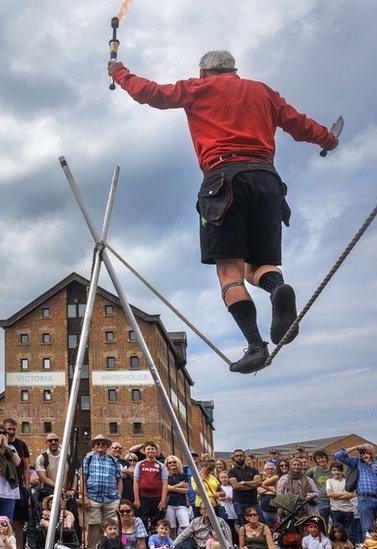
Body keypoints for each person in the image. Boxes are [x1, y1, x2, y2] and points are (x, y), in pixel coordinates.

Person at [108, 51, 339, 373]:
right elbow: (297, 124)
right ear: (234, 69)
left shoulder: (197, 88)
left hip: (224, 180)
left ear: (203, 71)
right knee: (259, 265)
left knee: (229, 271)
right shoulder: (263, 91)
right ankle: (277, 289)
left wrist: (119, 72)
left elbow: (151, 94)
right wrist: (327, 139)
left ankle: (256, 346)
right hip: (267, 180)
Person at [334, 444, 377, 537]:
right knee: (367, 528)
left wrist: (371, 463)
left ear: (372, 453)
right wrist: (356, 447)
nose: (366, 454)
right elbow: (338, 455)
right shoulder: (356, 462)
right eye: (364, 451)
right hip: (365, 499)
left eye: (369, 452)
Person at [82, 434, 124, 549]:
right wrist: (84, 496)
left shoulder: (113, 460)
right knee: (93, 525)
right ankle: (92, 547)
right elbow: (83, 479)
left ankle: (114, 547)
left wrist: (118, 497)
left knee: (113, 526)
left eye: (103, 444)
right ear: (94, 447)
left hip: (111, 499)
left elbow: (119, 480)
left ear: (107, 447)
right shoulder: (88, 459)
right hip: (93, 497)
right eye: (98, 444)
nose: (100, 446)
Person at [2, 419, 30, 549]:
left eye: (13, 429)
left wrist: (27, 486)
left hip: (17, 486)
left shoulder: (21, 444)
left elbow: (26, 467)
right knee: (4, 521)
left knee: (18, 522)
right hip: (2, 487)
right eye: (9, 429)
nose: (11, 432)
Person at [133, 441, 168, 530]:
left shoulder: (161, 466)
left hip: (157, 498)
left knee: (157, 522)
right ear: (144, 451)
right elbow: (136, 482)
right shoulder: (139, 464)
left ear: (156, 451)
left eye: (153, 449)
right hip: (143, 497)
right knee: (142, 521)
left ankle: (157, 542)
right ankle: (144, 542)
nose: (150, 450)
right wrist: (136, 499)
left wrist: (163, 500)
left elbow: (164, 484)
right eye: (148, 449)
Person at [229, 449, 262, 526]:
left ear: (245, 456)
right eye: (236, 456)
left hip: (253, 502)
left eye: (241, 455)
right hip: (239, 502)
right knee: (243, 526)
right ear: (234, 458)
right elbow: (235, 486)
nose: (239, 457)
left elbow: (258, 483)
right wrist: (252, 485)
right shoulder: (232, 471)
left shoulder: (253, 470)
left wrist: (244, 483)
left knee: (259, 524)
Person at [164, 456, 191, 536]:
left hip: (181, 504)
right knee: (171, 528)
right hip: (169, 504)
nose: (172, 464)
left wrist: (172, 488)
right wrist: (179, 485)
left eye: (174, 462)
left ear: (178, 463)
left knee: (186, 526)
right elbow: (165, 489)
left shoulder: (183, 475)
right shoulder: (165, 476)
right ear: (167, 464)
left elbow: (186, 490)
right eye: (170, 462)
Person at [327, 462, 356, 535]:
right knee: (337, 533)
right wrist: (344, 494)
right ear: (331, 471)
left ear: (342, 471)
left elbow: (352, 494)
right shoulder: (329, 481)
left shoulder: (347, 481)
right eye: (334, 470)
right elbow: (329, 494)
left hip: (349, 510)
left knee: (350, 533)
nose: (336, 472)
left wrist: (336, 496)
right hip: (336, 510)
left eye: (338, 470)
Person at [307, 451, 334, 522]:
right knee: (323, 523)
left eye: (322, 457)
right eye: (318, 459)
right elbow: (304, 479)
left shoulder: (333, 470)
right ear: (316, 461)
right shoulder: (313, 471)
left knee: (335, 524)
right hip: (321, 501)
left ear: (326, 458)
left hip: (334, 501)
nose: (321, 460)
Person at [35, 433, 62, 504]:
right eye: (50, 440)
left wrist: (73, 490)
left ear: (59, 441)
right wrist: (59, 488)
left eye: (56, 440)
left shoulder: (67, 457)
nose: (53, 442)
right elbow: (43, 478)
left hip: (65, 494)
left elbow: (73, 475)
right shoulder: (41, 458)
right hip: (48, 494)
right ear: (46, 442)